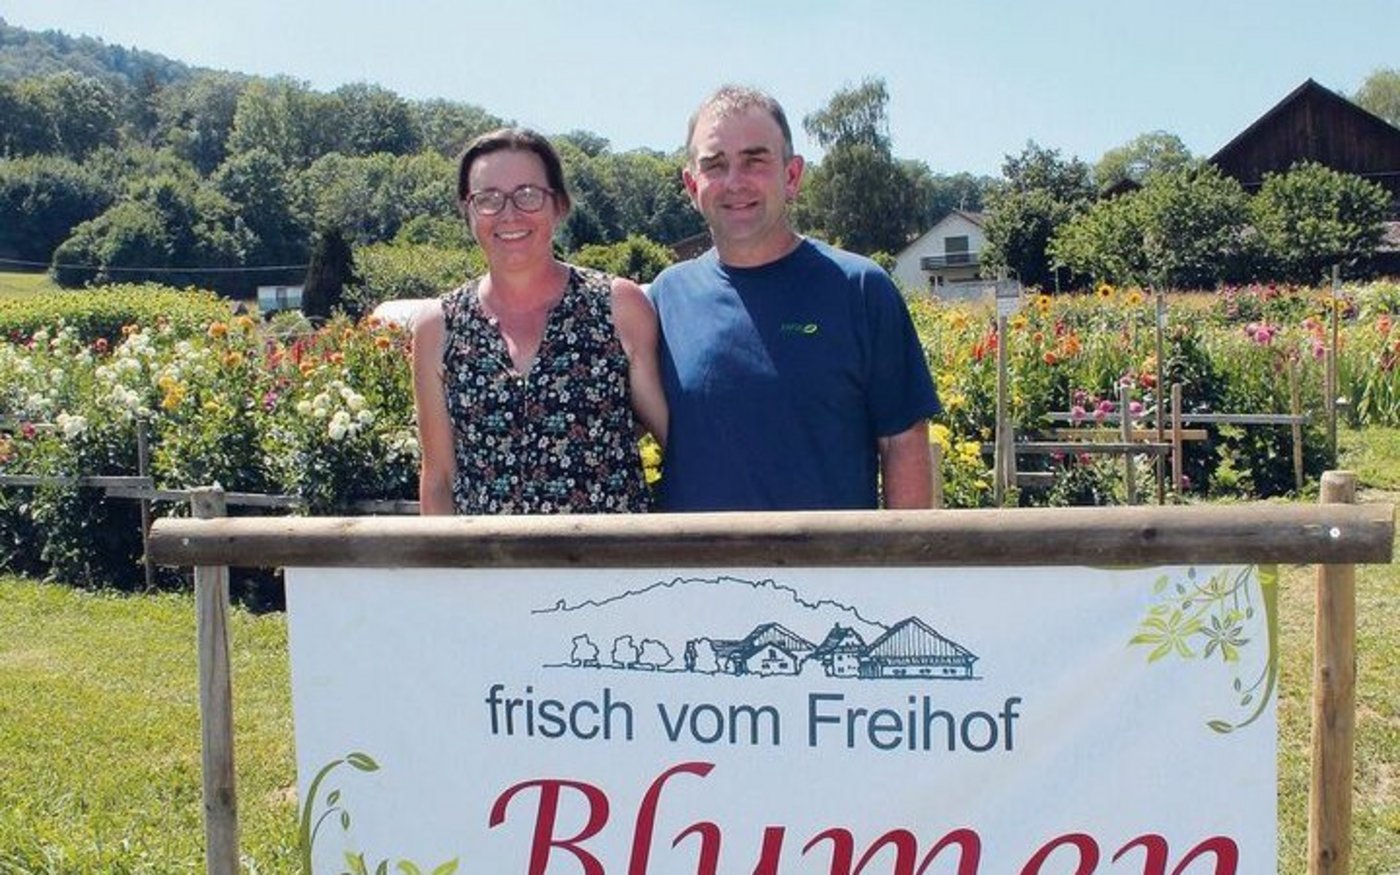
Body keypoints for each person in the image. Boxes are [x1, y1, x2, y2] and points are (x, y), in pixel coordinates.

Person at [648, 86, 939, 511]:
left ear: (792, 175)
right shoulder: (664, 299)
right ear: (692, 186)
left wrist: (901, 571)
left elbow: (903, 444)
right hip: (696, 575)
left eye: (755, 160)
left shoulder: (860, 288)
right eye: (715, 164)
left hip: (828, 572)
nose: (734, 182)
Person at [412, 128, 667, 515]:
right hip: (491, 569)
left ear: (559, 205)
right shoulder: (438, 327)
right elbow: (438, 480)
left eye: (528, 194)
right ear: (467, 211)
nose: (509, 213)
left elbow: (672, 440)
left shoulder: (618, 307)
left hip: (609, 568)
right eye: (488, 199)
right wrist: (443, 576)